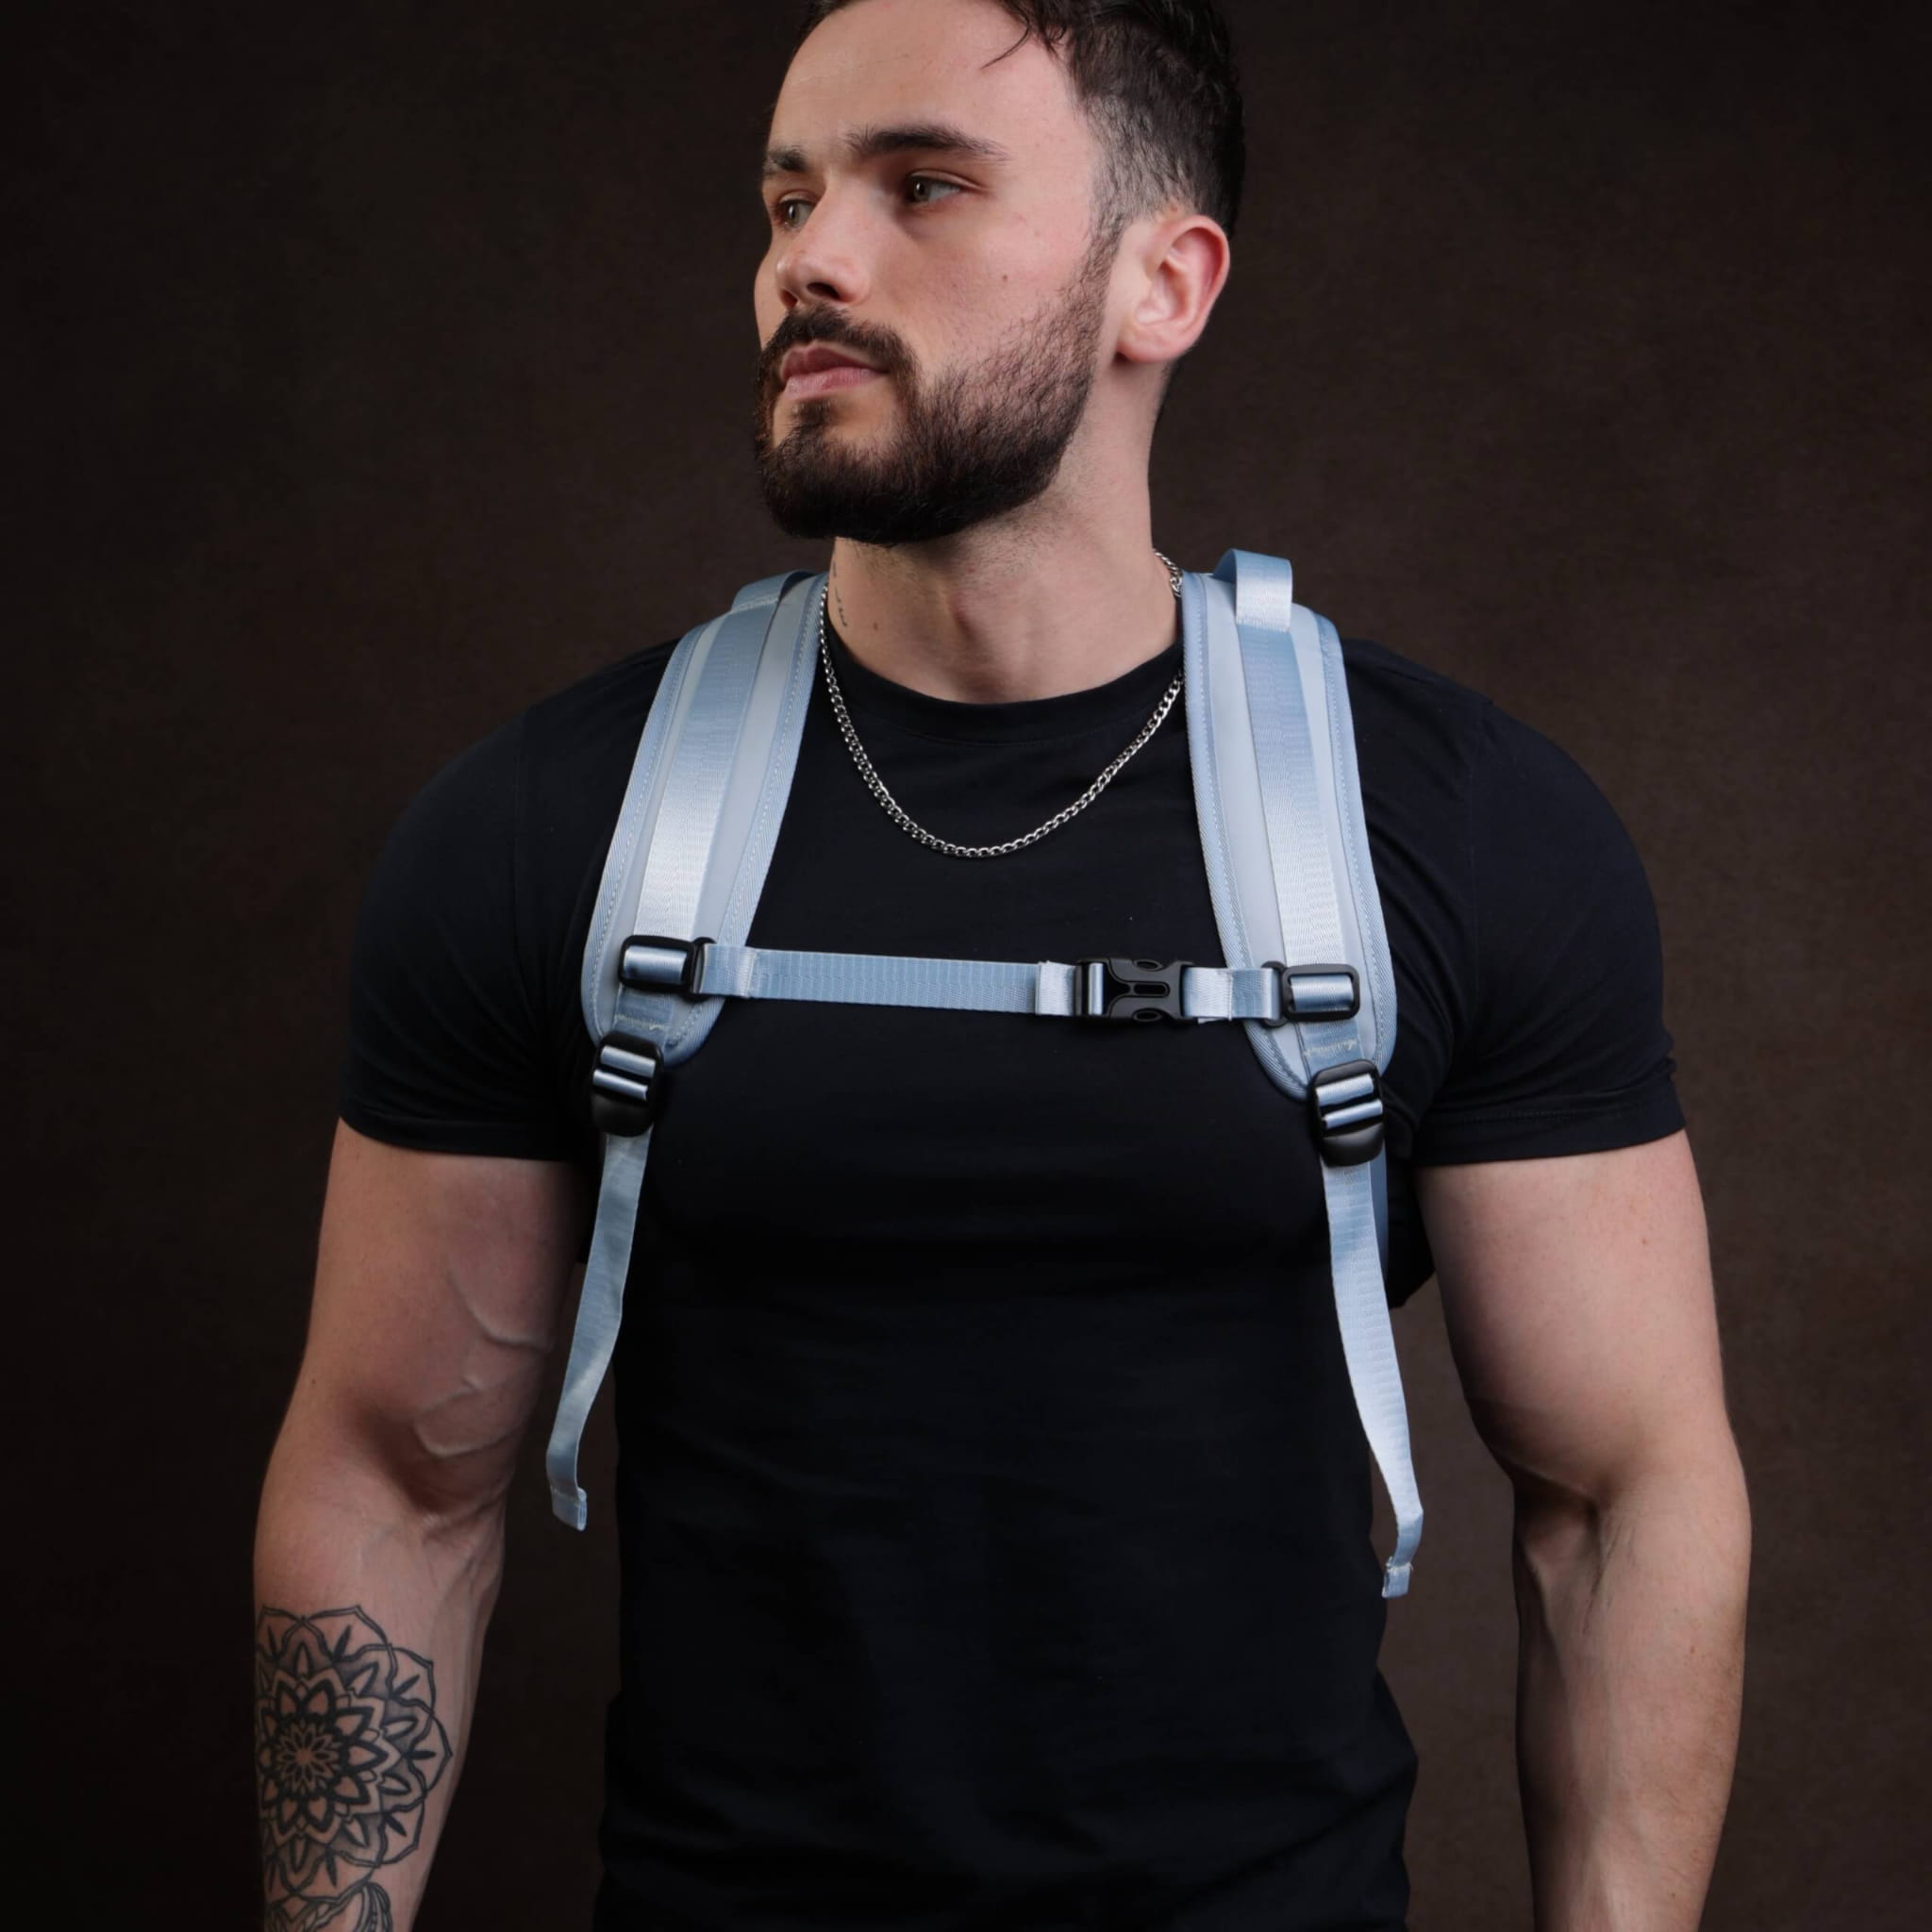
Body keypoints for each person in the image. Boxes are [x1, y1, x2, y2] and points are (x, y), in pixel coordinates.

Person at [252, 2, 1752, 1926]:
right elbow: (394, 1481)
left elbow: (1620, 1498)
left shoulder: (1458, 828)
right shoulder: (551, 827)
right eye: (788, 198)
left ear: (1162, 283)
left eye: (924, 186)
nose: (811, 259)